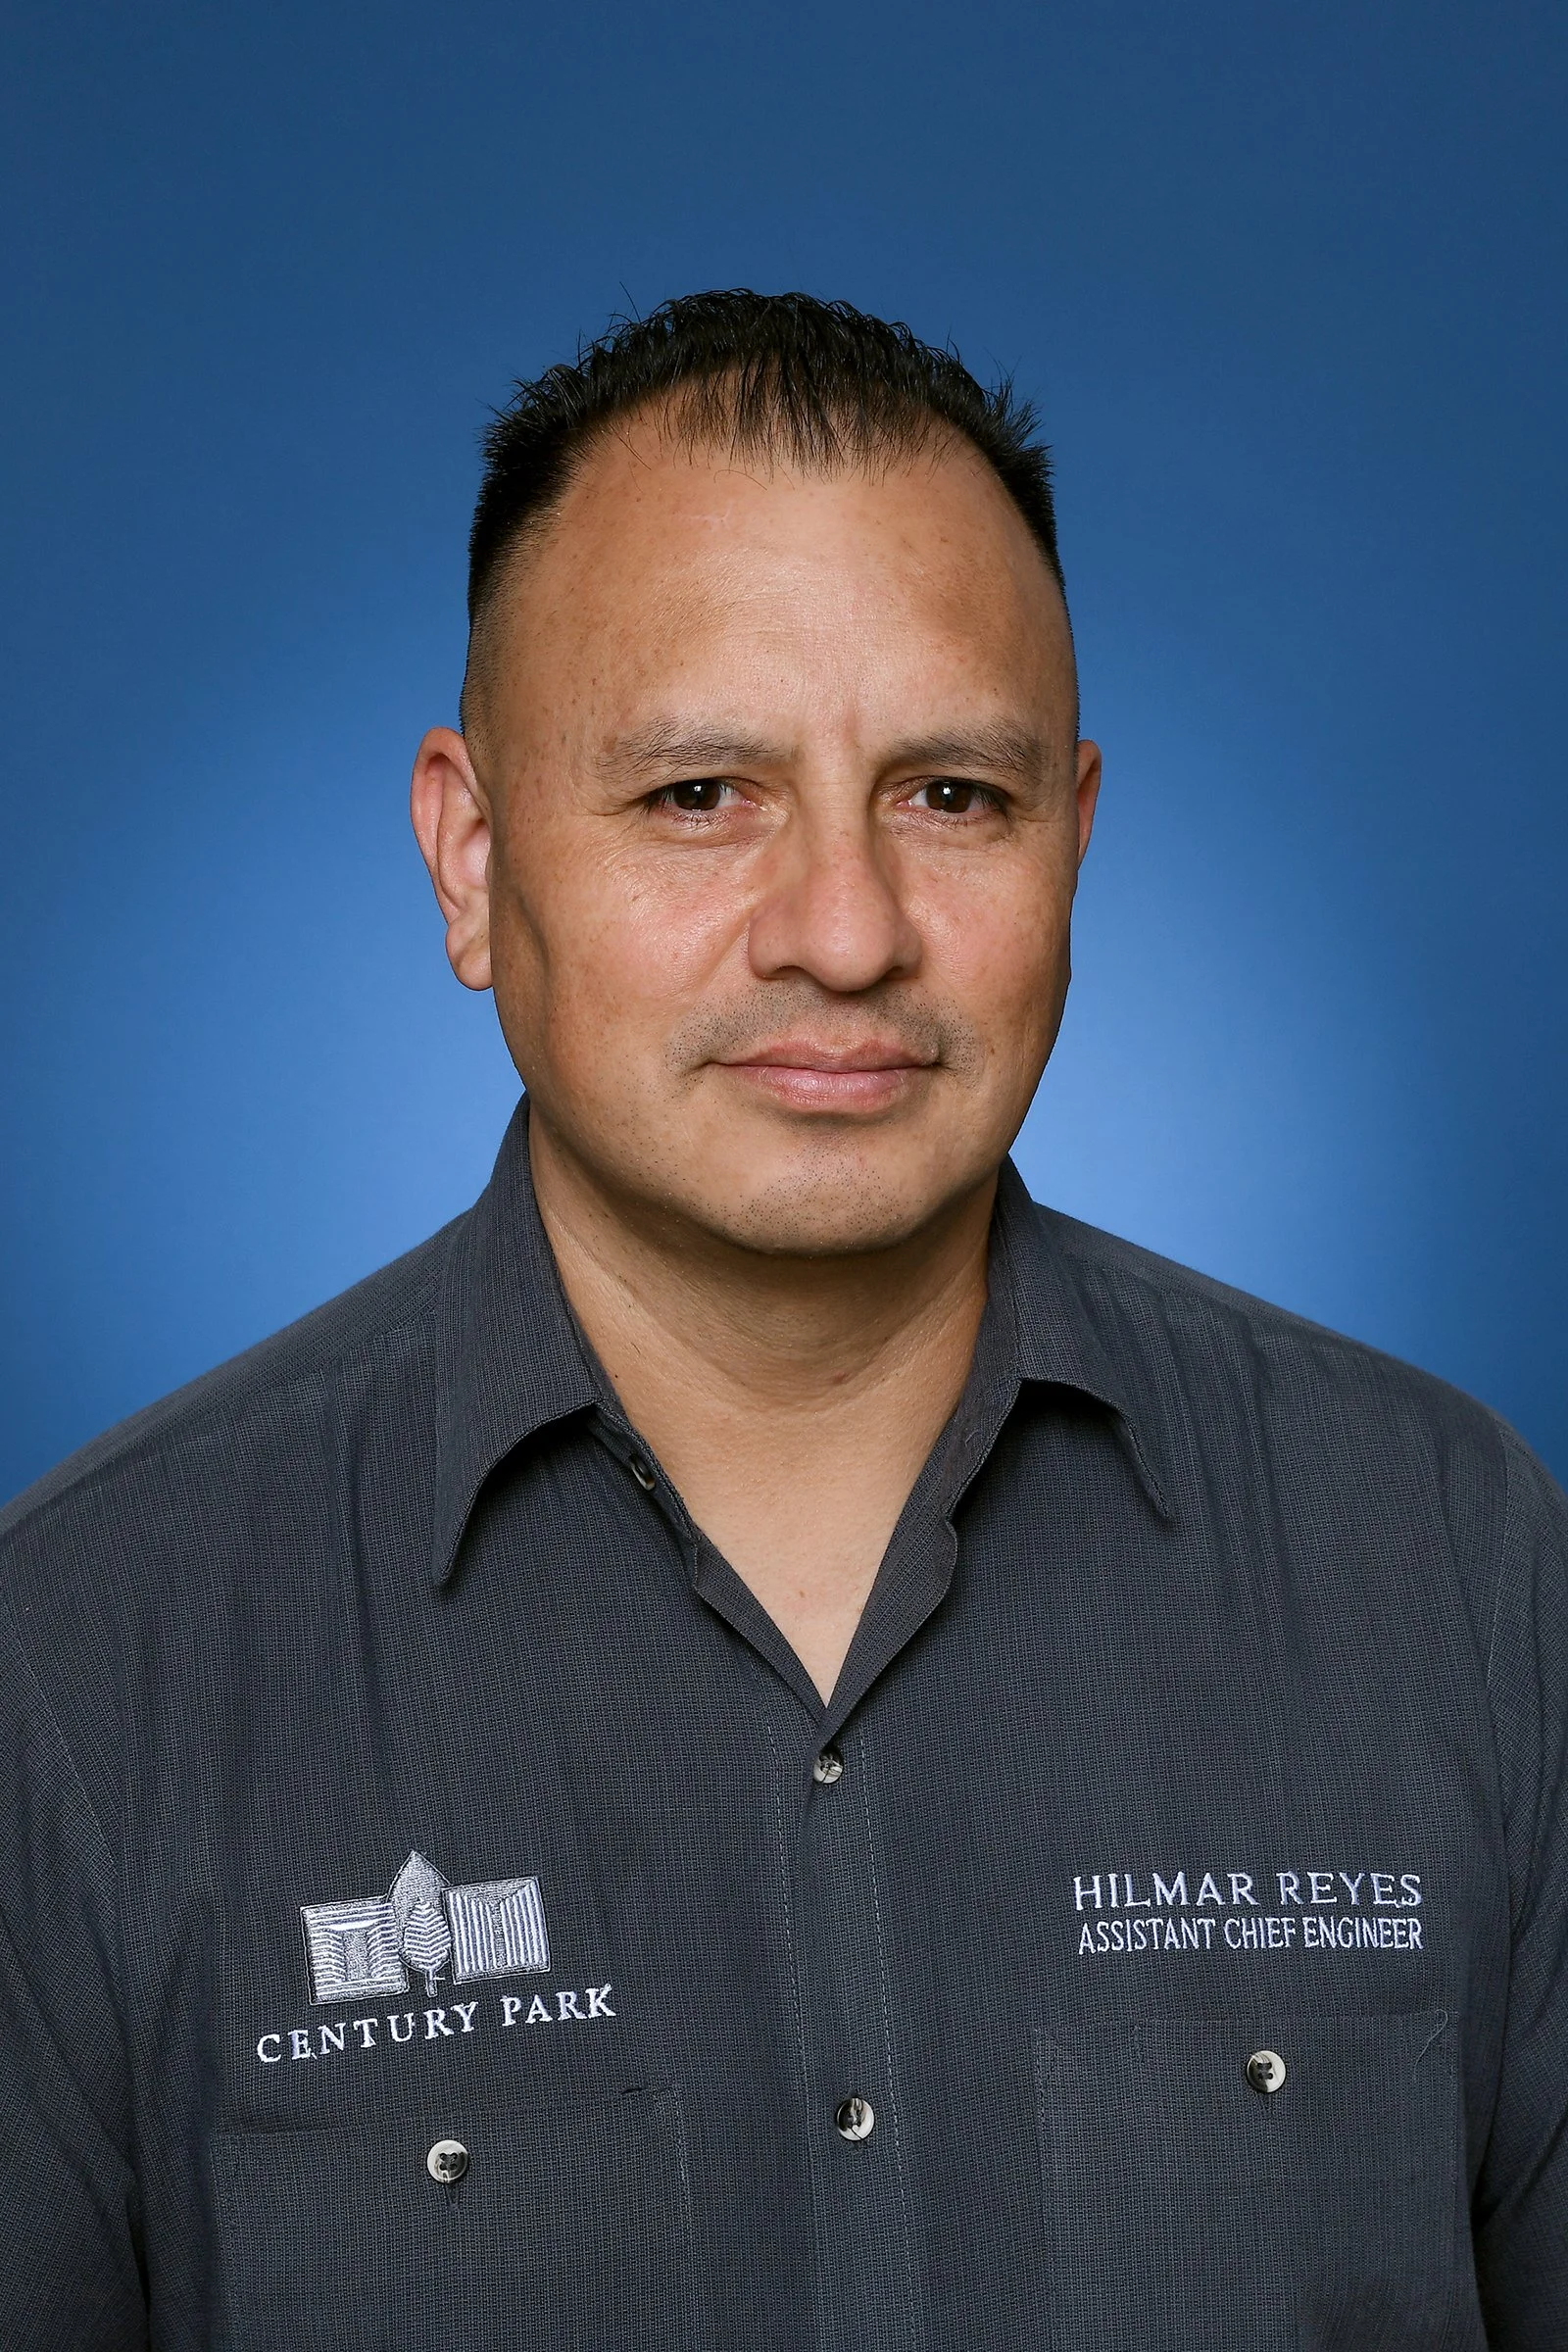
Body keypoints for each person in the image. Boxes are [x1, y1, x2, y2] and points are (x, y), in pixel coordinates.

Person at [1, 290, 1562, 2350]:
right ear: (470, 859)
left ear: (1076, 840)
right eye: (697, 795)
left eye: (952, 796)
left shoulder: (1447, 1552)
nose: (845, 931)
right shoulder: (87, 1656)